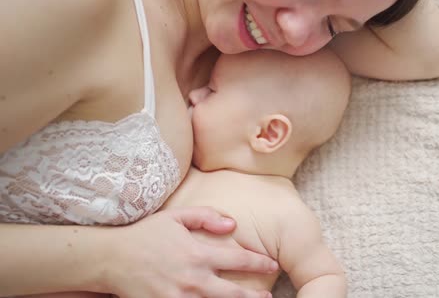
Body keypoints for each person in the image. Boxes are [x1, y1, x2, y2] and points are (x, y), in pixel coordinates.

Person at [0, 0, 439, 296]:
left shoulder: (262, 60)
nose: (297, 33)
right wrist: (109, 260)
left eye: (334, 25)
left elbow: (437, 51)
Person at [23, 48, 351, 298]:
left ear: (267, 134)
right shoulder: (179, 172)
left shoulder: (284, 212)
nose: (194, 95)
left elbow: (324, 278)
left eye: (212, 90)